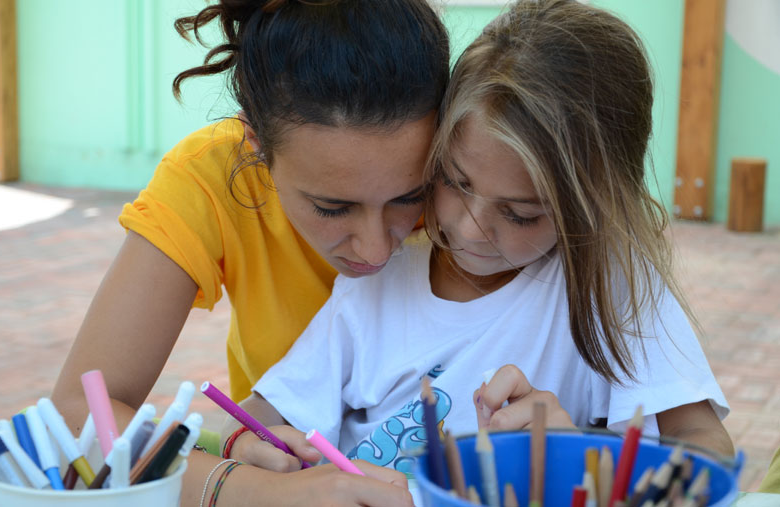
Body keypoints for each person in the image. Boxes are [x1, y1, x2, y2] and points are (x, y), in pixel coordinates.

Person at [226, 0, 735, 486]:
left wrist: (578, 454)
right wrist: (243, 442)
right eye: (452, 181)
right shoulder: (380, 283)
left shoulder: (614, 289)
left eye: (521, 213)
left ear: (592, 206)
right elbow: (260, 415)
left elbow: (706, 449)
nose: (469, 230)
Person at [50, 0, 449, 505]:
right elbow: (77, 417)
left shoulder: (481, 177)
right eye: (331, 207)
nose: (375, 250)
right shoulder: (210, 176)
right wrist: (254, 489)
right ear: (256, 144)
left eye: (412, 197)